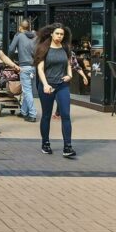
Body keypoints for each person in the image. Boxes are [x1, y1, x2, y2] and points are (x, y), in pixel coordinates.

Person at [35, 23, 75, 158]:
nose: (59, 36)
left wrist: (70, 75)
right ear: (51, 34)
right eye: (57, 33)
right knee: (46, 115)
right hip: (47, 85)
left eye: (62, 34)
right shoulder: (43, 48)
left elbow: (68, 64)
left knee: (65, 114)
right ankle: (45, 143)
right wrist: (45, 84)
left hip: (62, 85)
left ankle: (68, 147)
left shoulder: (65, 48)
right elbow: (40, 69)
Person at [8, 20, 38, 123]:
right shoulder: (35, 36)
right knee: (27, 89)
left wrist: (11, 61)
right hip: (33, 67)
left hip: (24, 66)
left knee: (27, 91)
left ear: (20, 27)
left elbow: (11, 49)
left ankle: (33, 114)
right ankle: (24, 111)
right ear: (29, 27)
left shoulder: (19, 35)